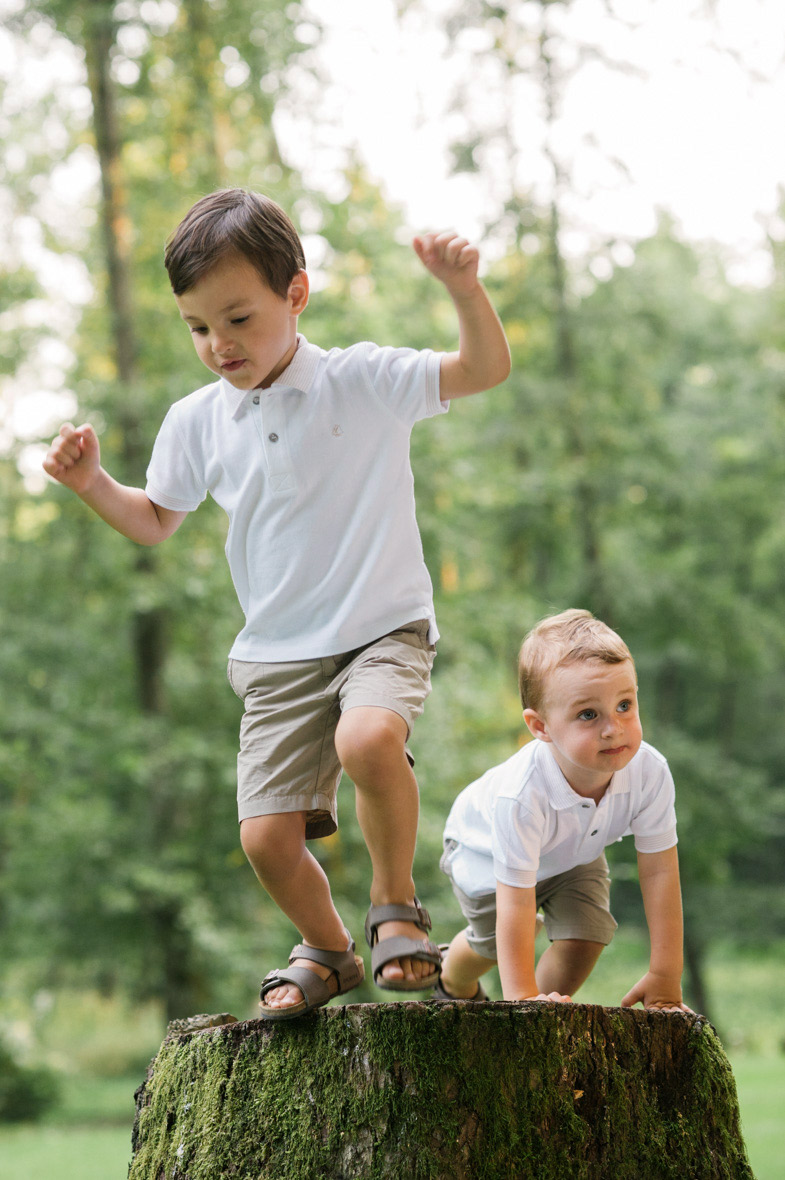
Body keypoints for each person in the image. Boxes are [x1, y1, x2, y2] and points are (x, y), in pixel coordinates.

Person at [43, 188, 511, 1020]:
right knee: (264, 838)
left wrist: (462, 289)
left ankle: (394, 910)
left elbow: (483, 370)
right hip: (277, 653)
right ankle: (329, 951)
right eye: (197, 327)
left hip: (382, 626)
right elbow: (153, 520)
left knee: (368, 738)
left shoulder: (361, 380)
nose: (219, 346)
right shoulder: (195, 422)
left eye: (238, 320)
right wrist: (91, 485)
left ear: (295, 294)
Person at [436, 608, 691, 1011]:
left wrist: (665, 975)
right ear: (540, 727)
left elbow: (660, 871)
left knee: (587, 935)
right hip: (485, 858)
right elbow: (516, 901)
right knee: (489, 947)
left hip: (572, 855)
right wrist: (519, 994)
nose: (613, 728)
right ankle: (450, 973)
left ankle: (538, 1021)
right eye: (588, 714)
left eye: (625, 705)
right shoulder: (522, 795)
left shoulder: (650, 772)